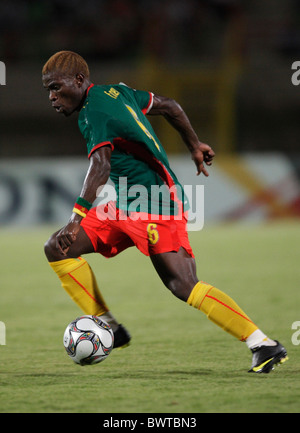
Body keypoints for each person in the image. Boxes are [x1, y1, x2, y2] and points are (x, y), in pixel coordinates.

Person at [42, 50, 288, 373]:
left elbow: (99, 166)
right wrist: (195, 145)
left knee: (183, 285)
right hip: (126, 203)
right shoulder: (116, 91)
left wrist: (75, 221)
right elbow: (170, 106)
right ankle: (108, 326)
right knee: (56, 248)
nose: (52, 97)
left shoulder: (93, 112)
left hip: (157, 206)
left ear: (78, 81)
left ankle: (263, 344)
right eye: (48, 90)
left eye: (56, 88)